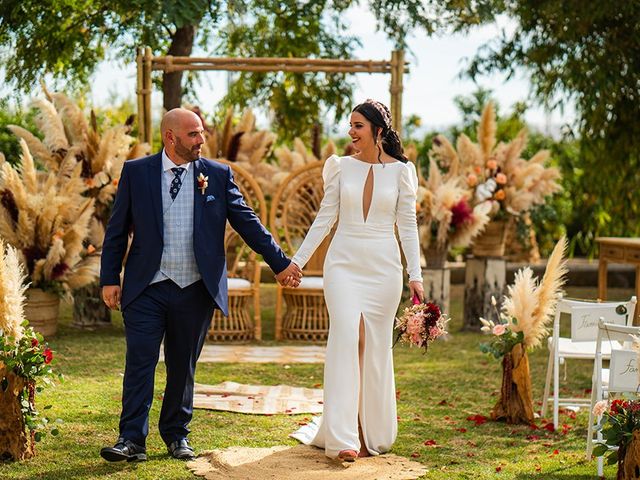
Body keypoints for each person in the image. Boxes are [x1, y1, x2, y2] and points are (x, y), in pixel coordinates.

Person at [99, 108, 302, 462]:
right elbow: (117, 230)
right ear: (170, 137)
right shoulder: (137, 172)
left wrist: (281, 264)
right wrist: (108, 279)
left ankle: (177, 436)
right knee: (139, 364)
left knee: (182, 366)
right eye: (193, 134)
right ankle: (131, 440)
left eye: (202, 132)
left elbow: (248, 223)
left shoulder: (217, 175)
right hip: (146, 286)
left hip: (194, 288)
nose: (201, 140)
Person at [290, 99, 424, 462]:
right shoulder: (339, 168)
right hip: (343, 264)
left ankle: (370, 432)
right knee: (348, 337)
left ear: (378, 131)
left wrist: (416, 275)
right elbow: (324, 218)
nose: (350, 132)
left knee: (374, 346)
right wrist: (297, 262)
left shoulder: (401, 172)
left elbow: (407, 227)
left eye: (358, 125)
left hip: (383, 267)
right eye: (350, 125)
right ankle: (344, 436)